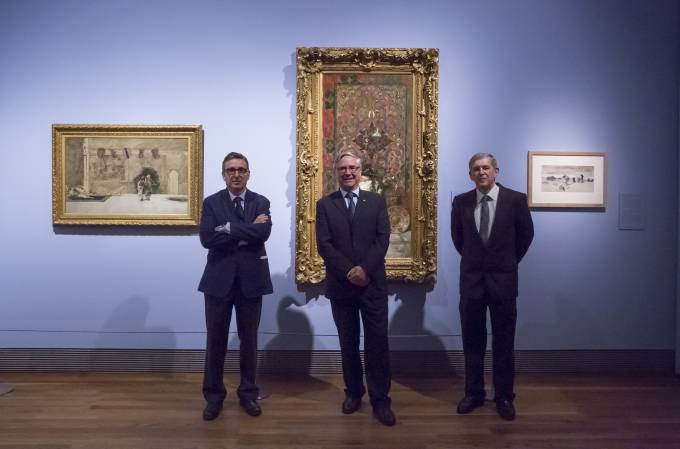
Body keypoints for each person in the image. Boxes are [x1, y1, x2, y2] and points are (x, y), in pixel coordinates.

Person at [451, 153, 534, 421]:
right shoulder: (461, 202)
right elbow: (458, 240)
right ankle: (474, 393)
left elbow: (526, 236)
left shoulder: (516, 200)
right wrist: (479, 262)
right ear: (470, 175)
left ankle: (504, 396)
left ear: (496, 171)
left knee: (504, 341)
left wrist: (506, 261)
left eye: (486, 167)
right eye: (476, 169)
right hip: (472, 283)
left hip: (503, 282)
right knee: (472, 341)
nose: (481, 172)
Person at [315, 150, 396, 426]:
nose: (348, 172)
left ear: (360, 171)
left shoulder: (376, 201)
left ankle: (380, 399)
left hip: (372, 285)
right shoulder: (325, 205)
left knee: (377, 344)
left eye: (352, 168)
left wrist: (365, 269)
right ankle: (353, 393)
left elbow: (383, 238)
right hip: (342, 286)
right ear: (336, 173)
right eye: (343, 168)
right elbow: (324, 244)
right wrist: (350, 271)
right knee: (347, 343)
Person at [197, 152, 273, 420]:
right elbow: (207, 239)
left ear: (248, 173)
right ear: (223, 174)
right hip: (218, 281)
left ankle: (248, 394)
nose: (236, 174)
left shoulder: (260, 201)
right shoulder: (211, 202)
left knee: (249, 340)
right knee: (215, 340)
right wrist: (247, 230)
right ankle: (214, 397)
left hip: (251, 280)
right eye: (231, 170)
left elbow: (263, 233)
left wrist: (227, 228)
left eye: (241, 169)